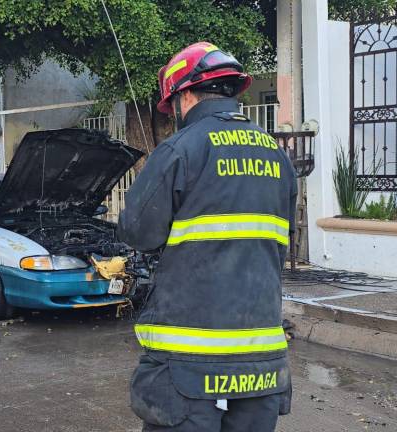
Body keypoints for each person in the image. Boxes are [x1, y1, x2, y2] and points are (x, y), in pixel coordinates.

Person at [118, 41, 297, 432]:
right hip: (261, 362)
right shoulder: (278, 157)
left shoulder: (180, 150)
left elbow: (137, 231)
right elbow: (281, 241)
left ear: (185, 96)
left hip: (187, 363)